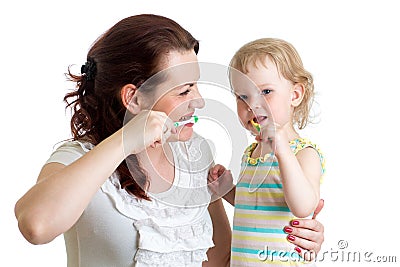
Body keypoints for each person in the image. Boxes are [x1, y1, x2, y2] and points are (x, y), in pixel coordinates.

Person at [14, 15, 324, 267]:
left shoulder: (196, 154)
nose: (199, 101)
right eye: (184, 90)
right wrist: (125, 139)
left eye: (196, 86)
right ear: (133, 98)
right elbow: (36, 226)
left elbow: (221, 259)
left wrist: (285, 243)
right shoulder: (79, 157)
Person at [208, 38, 326, 266]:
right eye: (242, 96)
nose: (252, 105)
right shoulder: (251, 153)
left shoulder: (303, 153)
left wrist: (283, 153)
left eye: (266, 91)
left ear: (295, 95)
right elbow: (252, 204)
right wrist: (226, 190)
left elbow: (303, 207)